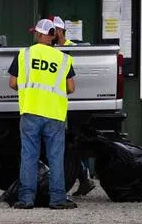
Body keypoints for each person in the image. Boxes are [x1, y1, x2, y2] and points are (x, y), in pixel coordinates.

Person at [7, 18, 77, 209]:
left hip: (30, 110)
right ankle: (58, 199)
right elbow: (71, 88)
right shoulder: (63, 58)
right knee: (56, 157)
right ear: (53, 35)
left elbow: (12, 83)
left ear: (38, 34)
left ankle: (26, 199)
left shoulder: (24, 54)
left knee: (29, 156)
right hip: (55, 113)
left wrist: (28, 89)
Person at [50, 15, 96, 198]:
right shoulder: (50, 49)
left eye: (53, 30)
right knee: (70, 141)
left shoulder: (73, 50)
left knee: (73, 141)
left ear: (60, 31)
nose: (50, 34)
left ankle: (84, 176)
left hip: (74, 102)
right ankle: (84, 178)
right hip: (58, 102)